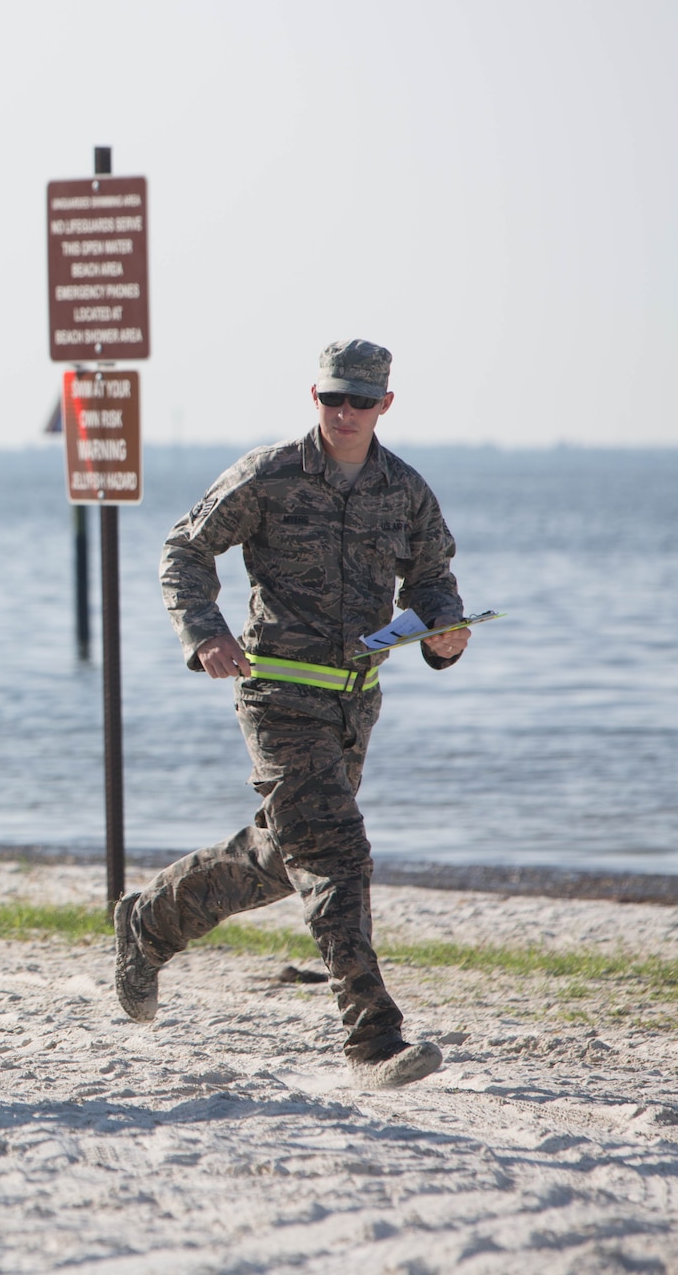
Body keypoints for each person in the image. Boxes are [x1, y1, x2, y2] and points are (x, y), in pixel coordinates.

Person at [114, 339, 471, 1090]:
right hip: (276, 694)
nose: (344, 413)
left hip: (353, 701)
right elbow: (184, 547)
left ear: (385, 406)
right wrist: (204, 633)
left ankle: (150, 921)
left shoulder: (404, 490)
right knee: (338, 852)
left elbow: (434, 579)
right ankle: (372, 1037)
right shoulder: (269, 474)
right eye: (332, 398)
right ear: (314, 396)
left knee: (287, 856)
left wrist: (445, 633)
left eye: (360, 401)